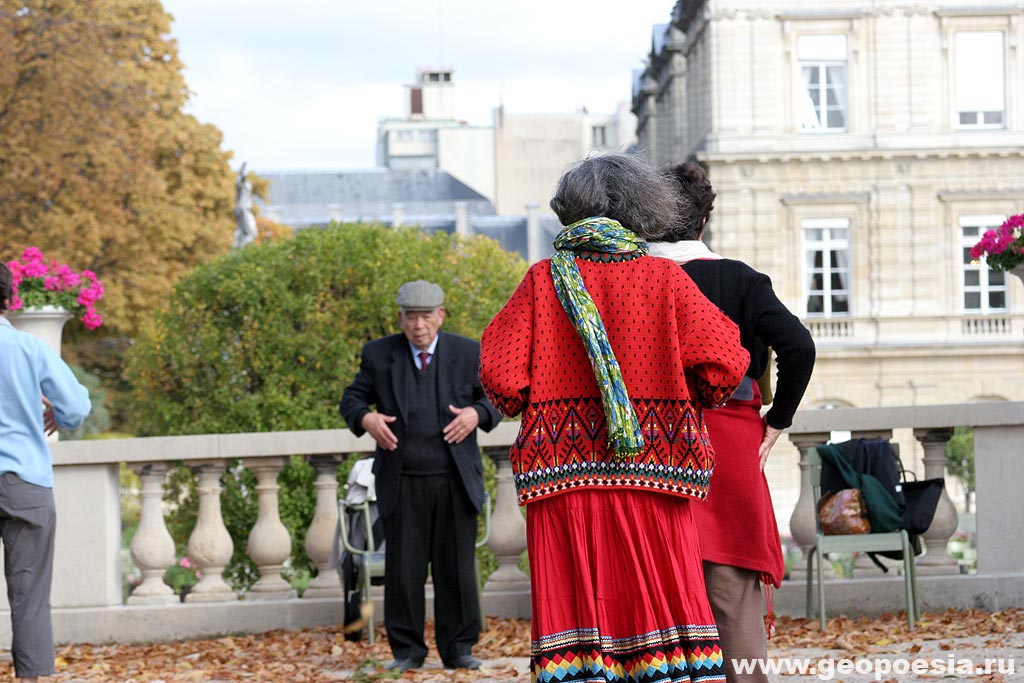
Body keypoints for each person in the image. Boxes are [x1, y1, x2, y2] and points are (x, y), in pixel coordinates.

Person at [479, 152, 750, 683]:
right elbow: (727, 363)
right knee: (663, 609)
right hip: (657, 475)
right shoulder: (666, 280)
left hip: (564, 484)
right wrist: (682, 395)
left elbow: (503, 379)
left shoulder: (542, 281)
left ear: (570, 210)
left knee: (575, 620)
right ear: (642, 210)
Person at [651, 161, 816, 683]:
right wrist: (777, 420)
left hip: (647, 442)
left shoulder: (629, 282)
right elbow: (798, 347)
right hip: (728, 438)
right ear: (704, 222)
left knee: (657, 584)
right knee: (731, 584)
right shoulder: (739, 279)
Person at [339, 280, 501, 673]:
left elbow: (495, 397)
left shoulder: (466, 352)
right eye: (410, 317)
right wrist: (367, 418)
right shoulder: (379, 355)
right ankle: (407, 651)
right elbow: (351, 399)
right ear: (401, 319)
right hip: (402, 480)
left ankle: (459, 649)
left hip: (454, 479)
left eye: (426, 316)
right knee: (403, 570)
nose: (419, 325)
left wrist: (475, 415)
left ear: (440, 316)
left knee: (457, 568)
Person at [0, 262, 91, 683]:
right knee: (29, 596)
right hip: (25, 486)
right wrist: (54, 410)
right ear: (8, 299)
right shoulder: (28, 348)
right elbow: (74, 410)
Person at [233, 163, 258, 250]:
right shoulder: (241, 183)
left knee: (242, 233)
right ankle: (243, 251)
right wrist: (242, 170)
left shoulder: (245, 184)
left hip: (244, 209)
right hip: (244, 209)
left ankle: (240, 250)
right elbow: (240, 180)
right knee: (252, 232)